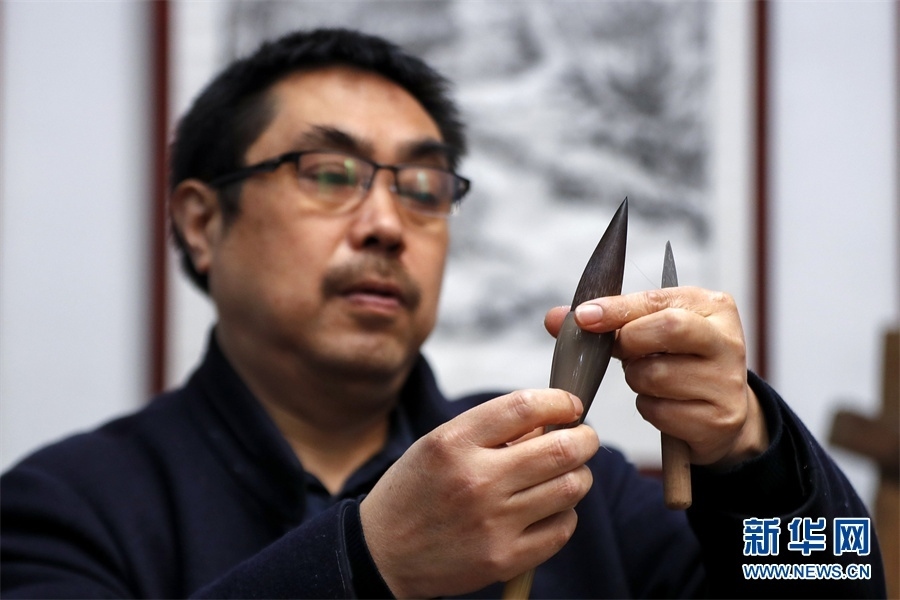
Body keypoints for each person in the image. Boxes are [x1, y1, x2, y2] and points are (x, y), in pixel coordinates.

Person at [0, 28, 886, 599]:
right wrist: (367, 561)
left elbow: (841, 578)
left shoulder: (580, 492)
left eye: (423, 186)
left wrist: (752, 454)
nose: (387, 224)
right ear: (202, 222)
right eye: (329, 173)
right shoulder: (65, 507)